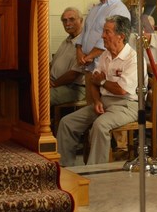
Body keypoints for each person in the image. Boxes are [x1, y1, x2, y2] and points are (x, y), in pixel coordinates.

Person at [58, 15, 145, 166]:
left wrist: (103, 81)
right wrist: (97, 100)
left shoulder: (133, 59)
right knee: (67, 123)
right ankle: (65, 166)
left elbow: (121, 90)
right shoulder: (106, 55)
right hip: (104, 102)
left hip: (127, 105)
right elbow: (93, 81)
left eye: (107, 32)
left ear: (121, 36)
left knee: (100, 125)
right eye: (103, 31)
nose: (102, 36)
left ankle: (96, 171)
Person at [76, 0, 131, 94]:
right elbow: (84, 32)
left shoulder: (119, 9)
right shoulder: (95, 8)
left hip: (103, 68)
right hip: (88, 66)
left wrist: (89, 56)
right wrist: (79, 51)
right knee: (91, 103)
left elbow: (111, 38)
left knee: (102, 102)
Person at [130, 15, 157, 145]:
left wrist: (154, 88)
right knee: (130, 90)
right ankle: (134, 130)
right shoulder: (133, 41)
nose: (142, 32)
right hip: (139, 77)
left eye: (146, 28)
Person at [50, 7, 85, 106]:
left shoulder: (85, 42)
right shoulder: (67, 40)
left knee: (41, 97)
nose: (67, 23)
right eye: (64, 20)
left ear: (81, 20)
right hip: (57, 83)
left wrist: (52, 84)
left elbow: (73, 74)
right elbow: (52, 63)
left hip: (74, 87)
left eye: (72, 19)